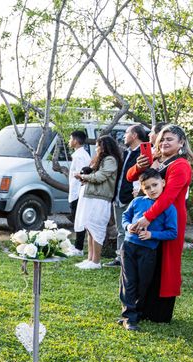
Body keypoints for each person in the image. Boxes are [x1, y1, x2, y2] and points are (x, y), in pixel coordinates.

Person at [126, 124, 192, 323]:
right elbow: (131, 176)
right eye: (162, 139)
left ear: (180, 143)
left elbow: (168, 197)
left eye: (169, 139)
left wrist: (147, 217)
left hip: (168, 219)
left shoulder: (181, 165)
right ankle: (142, 306)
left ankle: (159, 312)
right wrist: (141, 165)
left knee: (166, 264)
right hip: (151, 216)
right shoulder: (156, 159)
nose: (164, 142)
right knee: (149, 262)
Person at [118, 168, 177, 331]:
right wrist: (128, 226)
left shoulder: (169, 208)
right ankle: (128, 317)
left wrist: (152, 234)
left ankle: (135, 313)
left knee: (143, 283)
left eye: (155, 185)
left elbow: (173, 232)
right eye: (147, 187)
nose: (152, 190)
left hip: (148, 251)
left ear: (163, 183)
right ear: (142, 188)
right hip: (129, 247)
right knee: (128, 282)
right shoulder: (137, 202)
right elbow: (125, 216)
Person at [73, 134, 122, 269]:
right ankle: (90, 259)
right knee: (89, 227)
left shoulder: (110, 160)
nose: (96, 148)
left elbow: (101, 176)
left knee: (97, 228)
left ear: (105, 146)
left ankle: (96, 261)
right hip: (92, 196)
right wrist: (84, 178)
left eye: (99, 145)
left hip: (100, 199)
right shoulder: (101, 159)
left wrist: (83, 176)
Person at [104, 124, 149, 267]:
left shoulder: (144, 154)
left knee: (133, 229)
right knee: (121, 230)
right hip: (118, 196)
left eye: (127, 133)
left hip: (133, 199)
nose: (124, 136)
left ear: (135, 135)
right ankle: (120, 258)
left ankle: (130, 259)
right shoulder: (126, 152)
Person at [67, 130, 91, 256]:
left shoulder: (80, 155)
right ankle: (78, 246)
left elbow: (82, 174)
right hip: (75, 191)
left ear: (75, 141)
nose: (69, 141)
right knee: (77, 218)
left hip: (78, 192)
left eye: (70, 139)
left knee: (79, 219)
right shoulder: (79, 154)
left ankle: (79, 247)